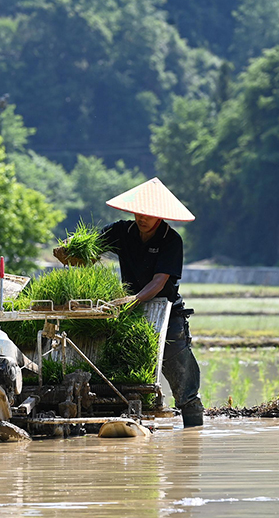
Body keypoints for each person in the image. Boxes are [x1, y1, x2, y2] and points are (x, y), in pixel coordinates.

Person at [57, 177, 204, 428]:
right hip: (129, 310)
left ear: (160, 215)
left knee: (181, 376)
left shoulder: (171, 240)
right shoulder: (121, 231)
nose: (141, 217)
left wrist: (133, 300)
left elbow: (159, 282)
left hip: (165, 311)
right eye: (138, 211)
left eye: (147, 213)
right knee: (120, 365)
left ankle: (193, 429)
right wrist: (70, 253)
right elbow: (89, 256)